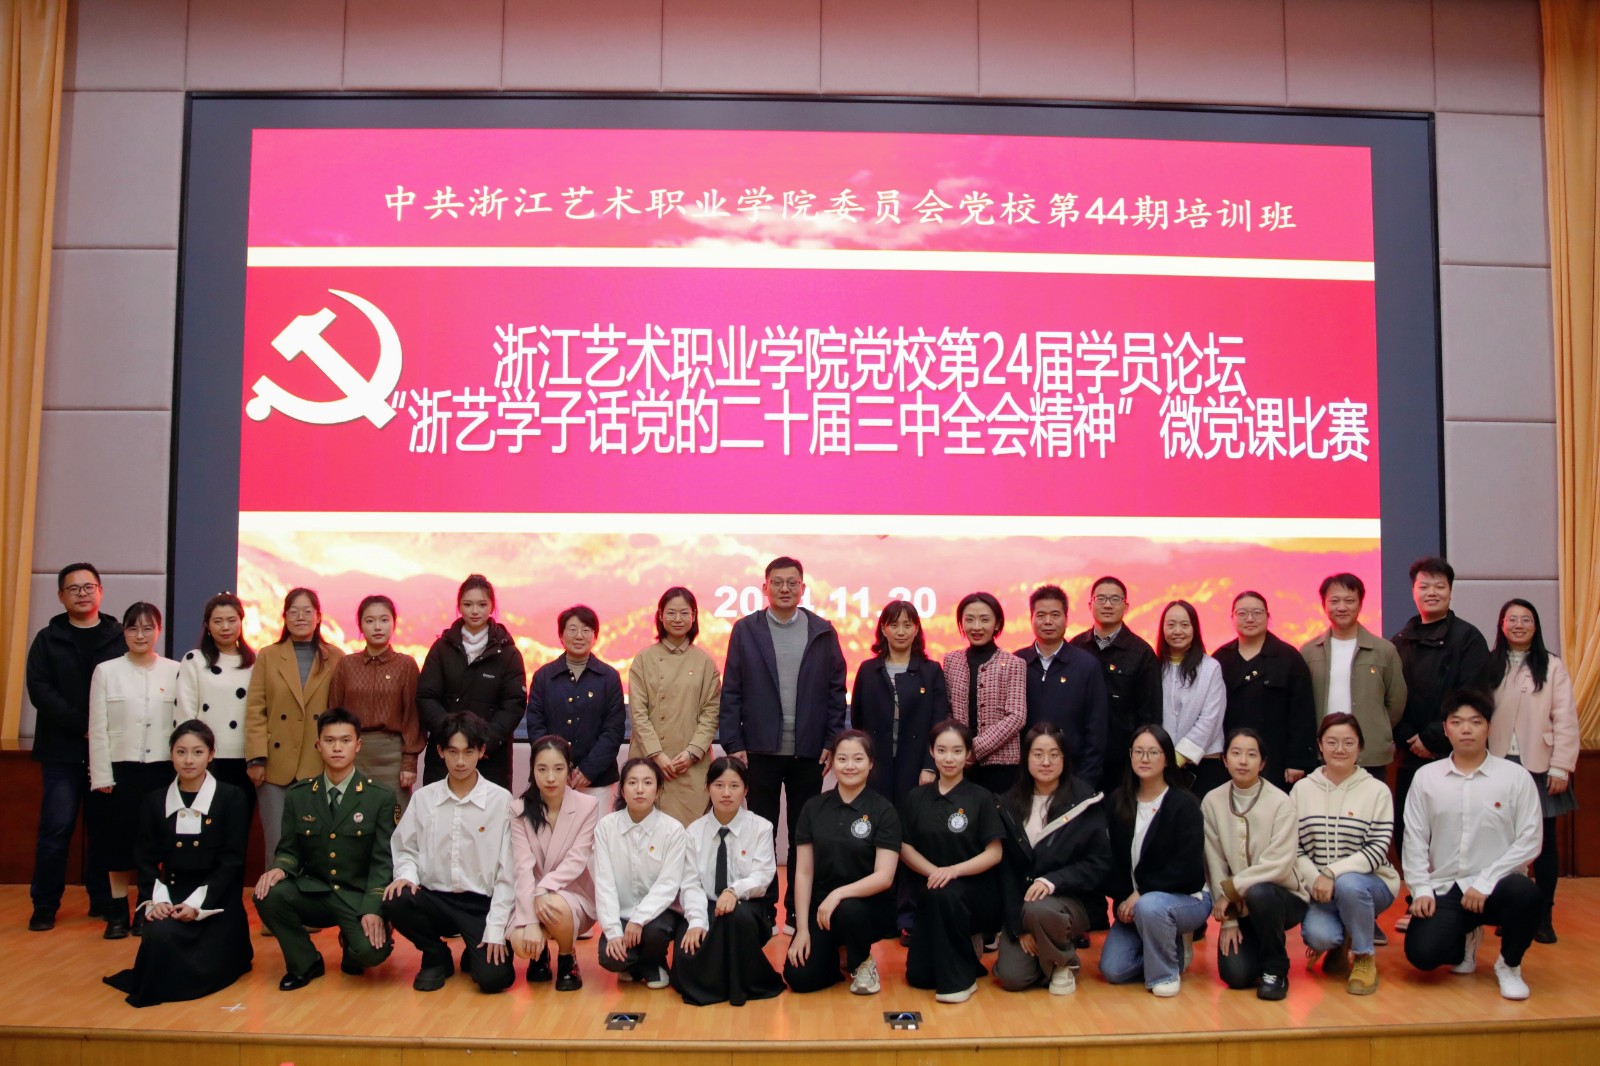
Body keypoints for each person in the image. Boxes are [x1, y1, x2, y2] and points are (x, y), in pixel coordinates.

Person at [719, 556, 847, 924]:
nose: (785, 589)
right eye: (778, 582)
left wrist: (832, 740)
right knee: (761, 832)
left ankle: (795, 910)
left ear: (803, 588)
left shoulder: (822, 631)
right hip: (759, 750)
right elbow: (732, 689)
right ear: (765, 587)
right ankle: (764, 910)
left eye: (792, 583)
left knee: (803, 833)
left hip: (809, 750)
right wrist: (733, 743)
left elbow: (836, 690)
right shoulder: (746, 630)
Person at [1402, 690, 1543, 1000]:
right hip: (1448, 884)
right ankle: (1465, 939)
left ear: (1489, 727)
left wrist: (1485, 881)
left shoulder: (1515, 777)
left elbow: (1530, 839)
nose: (1466, 729)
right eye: (1457, 722)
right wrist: (1421, 888)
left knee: (1527, 894)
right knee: (1423, 955)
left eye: (1475, 722)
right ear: (1445, 729)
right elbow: (1415, 837)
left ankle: (1509, 964)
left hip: (1498, 885)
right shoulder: (1427, 777)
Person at [102, 720, 252, 1007]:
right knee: (160, 935)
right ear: (171, 754)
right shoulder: (155, 800)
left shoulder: (232, 797)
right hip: (171, 895)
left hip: (217, 899)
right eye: (181, 752)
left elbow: (232, 861)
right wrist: (157, 900)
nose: (188, 760)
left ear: (211, 754)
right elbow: (145, 858)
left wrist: (196, 904)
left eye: (198, 752)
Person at [253, 708, 396, 990]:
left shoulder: (380, 797)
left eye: (345, 740)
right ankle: (305, 961)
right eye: (330, 741)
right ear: (318, 745)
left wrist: (374, 908)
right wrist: (280, 868)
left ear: (358, 745)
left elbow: (383, 862)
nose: (337, 748)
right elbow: (289, 850)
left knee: (369, 953)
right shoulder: (300, 795)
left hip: (356, 896)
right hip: (314, 891)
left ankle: (352, 941)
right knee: (267, 892)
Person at [1390, 556, 1491, 929]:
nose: (1431, 592)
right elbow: (1391, 697)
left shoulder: (1469, 638)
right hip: (1409, 754)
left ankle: (1457, 903)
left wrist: (1433, 736)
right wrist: (1408, 737)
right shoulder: (1400, 640)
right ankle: (1417, 897)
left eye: (1439, 586)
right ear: (1413, 591)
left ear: (1450, 591)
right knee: (1412, 829)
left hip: (1454, 753)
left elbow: (1472, 693)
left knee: (1453, 829)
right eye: (1424, 586)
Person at [383, 711, 515, 994]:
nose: (460, 761)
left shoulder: (501, 800)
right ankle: (435, 954)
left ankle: (473, 950)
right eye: (453, 752)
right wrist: (406, 876)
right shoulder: (424, 798)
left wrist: (496, 928)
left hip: (481, 905)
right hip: (436, 899)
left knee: (494, 979)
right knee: (396, 897)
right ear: (440, 751)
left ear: (482, 751)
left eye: (469, 752)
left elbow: (508, 871)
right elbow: (405, 848)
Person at [25, 562, 122, 931]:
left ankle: (102, 900)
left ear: (100, 591)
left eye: (88, 587)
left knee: (104, 830)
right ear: (61, 596)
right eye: (73, 589)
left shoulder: (118, 636)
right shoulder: (47, 639)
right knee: (56, 828)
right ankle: (45, 904)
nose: (82, 594)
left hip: (107, 751)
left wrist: (99, 729)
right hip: (61, 751)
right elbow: (40, 691)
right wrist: (84, 725)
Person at [1484, 599, 1578, 944]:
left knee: (1544, 844)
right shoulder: (1489, 664)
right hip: (1496, 764)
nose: (1519, 625)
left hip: (1540, 765)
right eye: (1512, 619)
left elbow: (1565, 719)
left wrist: (1561, 766)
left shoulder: (1551, 665)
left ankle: (1543, 916)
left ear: (1536, 626)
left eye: (1526, 619)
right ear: (1501, 624)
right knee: (1500, 841)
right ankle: (1507, 912)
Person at [993, 723, 1111, 996]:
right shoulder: (1009, 803)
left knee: (1040, 910)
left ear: (1064, 758)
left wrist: (1052, 881)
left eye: (1054, 754)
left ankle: (1063, 964)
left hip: (1071, 902)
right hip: (1024, 909)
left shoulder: (1084, 801)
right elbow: (1006, 870)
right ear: (1026, 758)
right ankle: (1050, 951)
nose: (1046, 762)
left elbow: (1099, 863)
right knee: (1013, 978)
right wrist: (1019, 928)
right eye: (1038, 754)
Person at [87, 602, 180, 939]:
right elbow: (98, 727)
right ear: (123, 632)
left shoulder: (174, 670)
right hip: (118, 771)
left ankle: (145, 905)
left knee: (154, 844)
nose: (140, 635)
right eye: (133, 628)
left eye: (147, 628)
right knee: (116, 844)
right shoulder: (106, 671)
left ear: (159, 631)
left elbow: (182, 724)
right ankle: (116, 913)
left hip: (161, 771)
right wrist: (101, 775)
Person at [784, 730, 901, 995]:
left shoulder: (884, 810)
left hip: (868, 908)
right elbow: (804, 872)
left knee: (848, 909)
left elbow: (884, 877)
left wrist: (838, 894)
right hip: (822, 910)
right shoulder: (813, 807)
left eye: (858, 759)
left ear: (870, 763)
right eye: (842, 759)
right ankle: (837, 952)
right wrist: (802, 929)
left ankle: (862, 960)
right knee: (799, 977)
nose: (850, 766)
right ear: (832, 762)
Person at [1291, 712, 1399, 996]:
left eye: (1349, 743)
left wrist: (1331, 873)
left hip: (1371, 883)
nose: (1340, 749)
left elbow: (1377, 849)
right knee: (1319, 936)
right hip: (1320, 888)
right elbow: (1294, 847)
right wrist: (1316, 879)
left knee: (1349, 884)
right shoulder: (1302, 790)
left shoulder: (1376, 791)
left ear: (1360, 747)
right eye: (1332, 742)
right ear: (1320, 745)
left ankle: (1364, 957)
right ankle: (1342, 939)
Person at [1098, 724, 1210, 997]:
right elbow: (1111, 860)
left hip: (1186, 898)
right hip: (1137, 903)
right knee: (1113, 969)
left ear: (1167, 758)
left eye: (1153, 752)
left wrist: (1142, 892)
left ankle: (1165, 974)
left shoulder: (1185, 805)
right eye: (1138, 751)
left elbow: (1189, 869)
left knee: (1150, 905)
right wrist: (1124, 899)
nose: (1144, 758)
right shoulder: (1118, 801)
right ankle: (1170, 949)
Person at [900, 720, 1005, 1004]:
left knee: (945, 892)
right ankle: (968, 961)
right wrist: (936, 872)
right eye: (942, 750)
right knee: (919, 978)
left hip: (976, 893)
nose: (949, 758)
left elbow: (994, 852)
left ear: (968, 754)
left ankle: (959, 981)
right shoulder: (916, 797)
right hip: (931, 892)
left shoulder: (981, 797)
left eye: (957, 751)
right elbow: (905, 847)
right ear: (931, 752)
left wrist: (953, 871)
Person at [1200, 728, 1306, 1000]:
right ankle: (1258, 946)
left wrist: (1231, 890)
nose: (1243, 761)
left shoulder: (1281, 802)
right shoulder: (1212, 801)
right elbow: (1214, 862)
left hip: (1283, 897)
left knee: (1260, 893)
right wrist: (1229, 920)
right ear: (1224, 760)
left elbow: (1279, 865)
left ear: (1263, 762)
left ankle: (1275, 969)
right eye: (1236, 753)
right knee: (1236, 976)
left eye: (1251, 755)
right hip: (1238, 905)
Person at [245, 587, 346, 868]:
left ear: (318, 617)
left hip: (320, 765)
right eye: (293, 611)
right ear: (284, 617)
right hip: (274, 766)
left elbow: (341, 712)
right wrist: (256, 758)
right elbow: (255, 709)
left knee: (317, 844)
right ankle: (275, 895)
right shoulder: (268, 655)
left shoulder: (335, 657)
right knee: (277, 843)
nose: (300, 617)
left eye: (307, 611)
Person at [674, 757, 785, 1006]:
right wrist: (696, 921)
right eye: (719, 785)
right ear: (707, 788)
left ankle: (737, 986)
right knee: (687, 951)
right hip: (704, 905)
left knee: (735, 918)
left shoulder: (761, 827)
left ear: (745, 790)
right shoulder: (693, 832)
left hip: (746, 906)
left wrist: (734, 891)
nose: (726, 793)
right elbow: (690, 884)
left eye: (734, 786)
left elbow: (763, 875)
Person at [417, 575, 527, 790]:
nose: (475, 611)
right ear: (459, 606)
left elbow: (514, 704)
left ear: (492, 606)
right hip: (445, 757)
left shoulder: (508, 653)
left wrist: (483, 743)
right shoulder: (441, 648)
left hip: (490, 758)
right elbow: (426, 696)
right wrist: (451, 737)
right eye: (468, 605)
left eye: (482, 605)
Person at [509, 734, 600, 991]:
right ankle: (539, 955)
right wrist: (529, 921)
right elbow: (522, 866)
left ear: (569, 770)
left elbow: (576, 859)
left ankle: (567, 957)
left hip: (571, 892)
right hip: (530, 893)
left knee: (555, 905)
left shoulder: (587, 805)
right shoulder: (518, 809)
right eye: (542, 769)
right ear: (532, 771)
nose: (550, 777)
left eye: (558, 769)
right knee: (520, 942)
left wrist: (543, 889)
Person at [592, 757, 692, 989]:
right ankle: (633, 964)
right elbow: (605, 884)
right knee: (610, 958)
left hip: (660, 912)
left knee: (654, 933)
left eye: (647, 783)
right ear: (622, 790)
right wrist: (613, 931)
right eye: (632, 783)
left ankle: (653, 963)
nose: (640, 789)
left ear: (658, 789)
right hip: (622, 913)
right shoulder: (606, 827)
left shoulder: (673, 830)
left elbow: (668, 885)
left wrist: (638, 919)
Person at [627, 587, 723, 826]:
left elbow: (711, 714)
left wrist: (691, 753)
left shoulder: (705, 662)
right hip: (649, 762)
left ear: (694, 616)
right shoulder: (643, 659)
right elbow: (638, 713)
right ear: (660, 616)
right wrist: (657, 755)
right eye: (671, 613)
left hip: (690, 766)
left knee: (692, 833)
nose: (677, 619)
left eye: (684, 613)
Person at [329, 594, 425, 816]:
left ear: (394, 624)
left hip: (392, 757)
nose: (377, 627)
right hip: (353, 754)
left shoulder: (406, 665)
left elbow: (413, 717)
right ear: (360, 626)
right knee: (351, 820)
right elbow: (334, 713)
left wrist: (409, 763)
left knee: (394, 821)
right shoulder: (346, 665)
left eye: (384, 620)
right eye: (370, 621)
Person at [1212, 592, 1317, 791]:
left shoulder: (1288, 657)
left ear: (1268, 617)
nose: (1250, 619)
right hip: (1231, 759)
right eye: (1242, 613)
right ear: (1232, 618)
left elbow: (1302, 713)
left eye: (1257, 613)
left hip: (1276, 758)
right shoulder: (1220, 658)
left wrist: (1297, 760)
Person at [1300, 573, 1407, 768]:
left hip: (1369, 754)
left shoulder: (1384, 650)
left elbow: (1396, 702)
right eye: (1334, 601)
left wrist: (1376, 727)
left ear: (1360, 604)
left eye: (1349, 601)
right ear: (1323, 605)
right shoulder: (1308, 651)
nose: (1342, 607)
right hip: (1321, 755)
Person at [1070, 576, 1163, 795]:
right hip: (1079, 759)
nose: (1108, 605)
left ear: (1126, 606)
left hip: (1122, 762)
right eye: (1101, 599)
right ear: (1090, 605)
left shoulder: (1141, 653)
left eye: (1115, 599)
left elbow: (1150, 715)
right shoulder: (1075, 647)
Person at [526, 605, 626, 806]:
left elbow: (613, 730)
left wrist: (588, 770)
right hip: (551, 779)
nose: (579, 636)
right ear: (561, 636)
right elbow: (536, 726)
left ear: (595, 636)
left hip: (598, 781)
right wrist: (558, 768)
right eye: (572, 630)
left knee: (597, 828)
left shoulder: (609, 677)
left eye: (586, 630)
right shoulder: (544, 676)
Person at [852, 599, 949, 806]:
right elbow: (857, 722)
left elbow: (938, 724)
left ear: (916, 629)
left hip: (916, 765)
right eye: (894, 625)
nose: (901, 632)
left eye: (907, 625)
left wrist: (930, 766)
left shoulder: (931, 671)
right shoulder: (868, 670)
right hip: (876, 765)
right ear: (883, 629)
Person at [1017, 585, 1109, 788]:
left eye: (1055, 615)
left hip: (1073, 780)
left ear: (1066, 619)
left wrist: (1085, 783)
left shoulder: (1087, 665)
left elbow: (1096, 731)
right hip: (1023, 782)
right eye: (1041, 615)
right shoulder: (1016, 663)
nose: (1048, 621)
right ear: (1031, 619)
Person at [176, 592, 257, 819]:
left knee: (238, 824)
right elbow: (185, 713)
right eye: (218, 621)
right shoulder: (194, 660)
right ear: (208, 626)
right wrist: (191, 754)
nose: (225, 627)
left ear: (241, 622)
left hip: (245, 759)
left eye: (231, 620)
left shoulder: (256, 661)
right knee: (205, 824)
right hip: (206, 759)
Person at [941, 592, 1027, 795]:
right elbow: (947, 709)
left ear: (997, 624)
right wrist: (958, 749)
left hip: (1001, 766)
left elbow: (1016, 716)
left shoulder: (1014, 663)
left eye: (984, 620)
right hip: (958, 764)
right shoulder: (951, 661)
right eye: (969, 619)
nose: (976, 627)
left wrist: (974, 749)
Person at [1156, 600, 1227, 796]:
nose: (1177, 631)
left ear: (1194, 629)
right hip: (1160, 765)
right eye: (1171, 625)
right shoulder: (1154, 666)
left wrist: (1179, 757)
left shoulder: (1210, 668)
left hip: (1203, 763)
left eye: (1185, 625)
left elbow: (1210, 719)